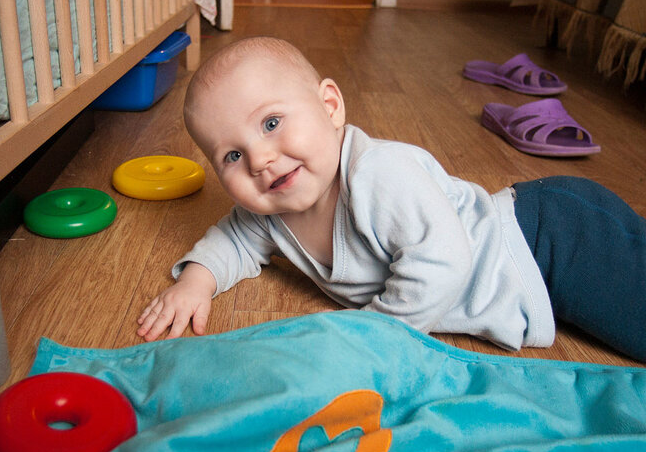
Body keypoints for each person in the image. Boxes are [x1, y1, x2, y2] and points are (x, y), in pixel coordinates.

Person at [136, 36, 646, 362]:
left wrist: (374, 337)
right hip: (533, 272)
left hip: (546, 238)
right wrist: (197, 283)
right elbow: (232, 240)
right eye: (231, 155)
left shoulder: (378, 172)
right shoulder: (269, 212)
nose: (261, 160)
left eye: (271, 123)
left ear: (330, 106)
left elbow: (443, 260)